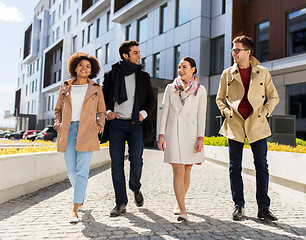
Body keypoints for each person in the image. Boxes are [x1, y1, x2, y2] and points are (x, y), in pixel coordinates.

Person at [216, 35, 280, 222]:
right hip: (235, 122)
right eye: (233, 50)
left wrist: (265, 112)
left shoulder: (262, 72)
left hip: (257, 123)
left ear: (248, 52)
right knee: (234, 167)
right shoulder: (227, 73)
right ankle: (239, 206)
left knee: (261, 166)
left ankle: (263, 208)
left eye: (237, 50)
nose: (233, 53)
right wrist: (226, 111)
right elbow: (220, 98)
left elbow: (274, 97)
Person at [102, 40, 156, 217]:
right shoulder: (111, 75)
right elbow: (102, 98)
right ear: (125, 55)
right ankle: (121, 203)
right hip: (116, 124)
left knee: (136, 161)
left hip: (135, 124)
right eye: (135, 52)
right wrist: (108, 111)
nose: (139, 55)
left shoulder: (143, 76)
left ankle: (135, 187)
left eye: (139, 52)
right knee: (116, 165)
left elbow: (151, 100)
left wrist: (142, 114)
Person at [54, 52, 106, 223]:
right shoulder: (65, 86)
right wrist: (58, 124)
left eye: (88, 66)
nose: (84, 68)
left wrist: (99, 127)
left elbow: (102, 111)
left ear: (92, 71)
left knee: (82, 171)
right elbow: (58, 110)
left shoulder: (96, 89)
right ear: (75, 67)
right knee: (70, 169)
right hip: (68, 130)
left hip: (88, 130)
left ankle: (75, 208)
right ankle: (80, 193)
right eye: (81, 65)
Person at [157, 57, 207, 221]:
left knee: (187, 170)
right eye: (179, 67)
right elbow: (164, 112)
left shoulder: (201, 90)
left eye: (184, 67)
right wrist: (161, 135)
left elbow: (202, 116)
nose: (181, 70)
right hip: (173, 132)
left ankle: (179, 203)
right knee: (178, 170)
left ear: (193, 69)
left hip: (191, 135)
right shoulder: (170, 88)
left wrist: (200, 138)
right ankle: (183, 210)